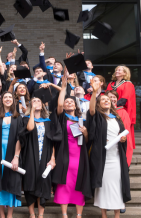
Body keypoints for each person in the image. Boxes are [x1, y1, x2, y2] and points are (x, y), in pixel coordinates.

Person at [88, 82, 131, 218]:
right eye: (103, 100)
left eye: (108, 99)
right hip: (103, 158)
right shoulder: (98, 116)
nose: (106, 101)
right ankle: (104, 215)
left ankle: (117, 215)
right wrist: (95, 93)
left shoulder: (117, 118)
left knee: (117, 186)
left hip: (116, 157)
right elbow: (92, 111)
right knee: (104, 187)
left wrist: (123, 139)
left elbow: (122, 134)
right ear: (99, 104)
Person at [52, 74, 92, 217]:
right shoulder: (62, 117)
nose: (69, 103)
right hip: (65, 154)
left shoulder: (81, 120)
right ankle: (64, 214)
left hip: (79, 155)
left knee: (78, 182)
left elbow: (87, 141)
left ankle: (79, 214)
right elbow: (59, 104)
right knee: (65, 183)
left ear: (76, 105)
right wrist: (63, 88)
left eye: (71, 102)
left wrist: (85, 133)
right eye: (66, 102)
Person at [19, 97, 62, 218]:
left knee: (44, 183)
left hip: (46, 155)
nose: (36, 103)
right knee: (30, 182)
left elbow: (52, 141)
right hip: (30, 155)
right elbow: (30, 128)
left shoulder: (48, 121)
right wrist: (32, 112)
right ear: (30, 105)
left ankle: (41, 215)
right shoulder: (26, 119)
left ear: (43, 105)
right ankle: (32, 214)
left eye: (39, 101)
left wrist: (53, 158)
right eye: (34, 101)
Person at [0, 92, 23, 218]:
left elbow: (20, 138)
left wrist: (16, 156)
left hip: (12, 151)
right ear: (2, 100)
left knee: (12, 180)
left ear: (13, 100)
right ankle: (2, 214)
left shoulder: (18, 117)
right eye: (5, 97)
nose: (8, 99)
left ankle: (10, 215)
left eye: (10, 97)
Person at [106, 65, 136, 146]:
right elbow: (106, 97)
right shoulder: (111, 84)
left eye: (119, 70)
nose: (117, 71)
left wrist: (113, 107)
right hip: (110, 111)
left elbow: (124, 99)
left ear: (125, 73)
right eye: (116, 70)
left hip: (122, 111)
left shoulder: (128, 84)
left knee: (123, 133)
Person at [107, 90, 134, 166]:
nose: (112, 99)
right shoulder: (101, 112)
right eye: (110, 97)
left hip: (118, 143)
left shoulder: (122, 112)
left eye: (114, 97)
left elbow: (125, 130)